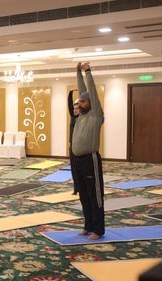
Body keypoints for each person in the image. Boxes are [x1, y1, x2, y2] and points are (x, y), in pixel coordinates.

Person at [71, 62, 105, 240]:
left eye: (83, 101)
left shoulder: (95, 114)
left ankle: (98, 230)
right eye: (79, 101)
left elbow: (89, 90)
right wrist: (77, 72)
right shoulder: (82, 116)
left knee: (95, 196)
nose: (79, 104)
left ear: (91, 103)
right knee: (84, 195)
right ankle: (88, 225)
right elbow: (81, 89)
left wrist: (88, 71)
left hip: (90, 160)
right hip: (78, 161)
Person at [68, 90, 80, 195]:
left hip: (80, 147)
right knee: (74, 168)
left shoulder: (84, 118)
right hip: (72, 147)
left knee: (81, 169)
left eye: (77, 109)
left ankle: (82, 188)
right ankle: (76, 188)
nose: (75, 110)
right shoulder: (73, 118)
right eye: (74, 109)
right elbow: (69, 105)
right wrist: (70, 92)